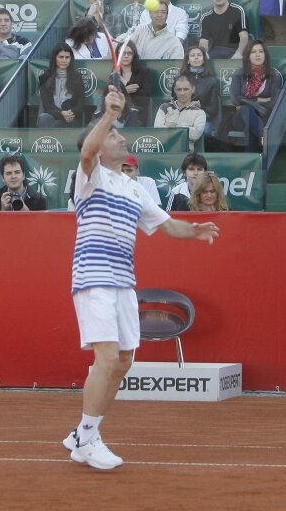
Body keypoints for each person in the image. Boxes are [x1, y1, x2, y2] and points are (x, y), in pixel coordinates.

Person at [62, 83, 217, 471]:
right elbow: (87, 151)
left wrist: (194, 231)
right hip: (94, 277)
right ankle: (86, 439)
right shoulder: (89, 177)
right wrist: (110, 113)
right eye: (113, 134)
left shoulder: (133, 189)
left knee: (124, 360)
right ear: (99, 145)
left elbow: (166, 225)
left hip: (123, 282)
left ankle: (83, 432)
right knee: (107, 357)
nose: (120, 137)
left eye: (117, 131)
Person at [37, 43, 89, 128]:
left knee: (57, 124)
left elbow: (80, 104)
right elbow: (47, 105)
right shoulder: (45, 78)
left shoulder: (77, 77)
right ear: (55, 58)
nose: (64, 60)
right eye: (61, 57)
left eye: (67, 57)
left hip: (71, 118)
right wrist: (61, 113)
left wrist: (69, 113)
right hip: (53, 115)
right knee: (44, 118)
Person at [154, 74, 206, 149]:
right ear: (175, 90)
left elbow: (195, 134)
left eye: (186, 89)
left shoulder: (199, 113)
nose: (182, 93)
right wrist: (186, 129)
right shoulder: (164, 107)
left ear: (193, 89)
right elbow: (157, 130)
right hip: (163, 150)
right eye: (179, 89)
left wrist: (171, 126)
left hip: (186, 154)